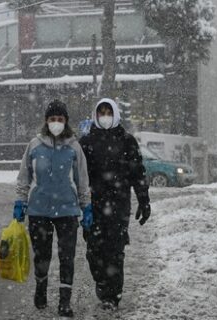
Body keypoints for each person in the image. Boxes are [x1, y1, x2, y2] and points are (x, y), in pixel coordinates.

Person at [14, 100, 91, 318]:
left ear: (65, 121)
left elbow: (82, 180)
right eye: (52, 119)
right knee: (42, 255)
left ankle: (64, 302)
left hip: (67, 210)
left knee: (67, 257)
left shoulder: (74, 147)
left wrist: (87, 207)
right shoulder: (34, 145)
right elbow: (24, 176)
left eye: (60, 119)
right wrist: (21, 201)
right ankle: (40, 289)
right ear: (46, 121)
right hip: (39, 210)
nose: (55, 123)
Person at [78, 98, 151, 310]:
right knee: (94, 251)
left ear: (116, 114)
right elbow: (78, 176)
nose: (105, 116)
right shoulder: (86, 142)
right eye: (101, 112)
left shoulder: (126, 140)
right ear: (95, 115)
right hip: (93, 206)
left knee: (115, 252)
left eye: (108, 112)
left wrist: (144, 200)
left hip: (119, 206)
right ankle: (102, 284)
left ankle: (113, 296)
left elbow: (138, 172)